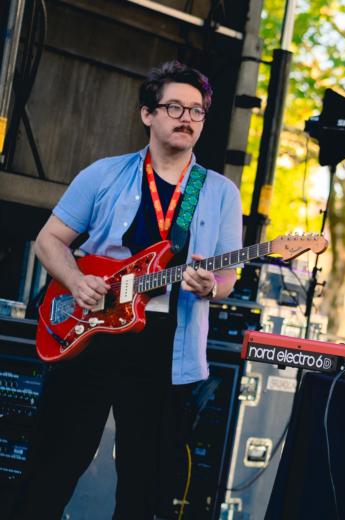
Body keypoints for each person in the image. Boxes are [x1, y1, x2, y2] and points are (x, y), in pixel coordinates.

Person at [8, 61, 243, 519]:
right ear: (147, 114)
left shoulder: (219, 192)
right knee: (51, 469)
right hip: (89, 334)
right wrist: (77, 281)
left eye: (196, 110)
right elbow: (49, 240)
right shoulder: (103, 174)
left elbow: (226, 278)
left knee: (145, 487)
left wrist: (209, 286)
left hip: (165, 345)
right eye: (175, 107)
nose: (187, 118)